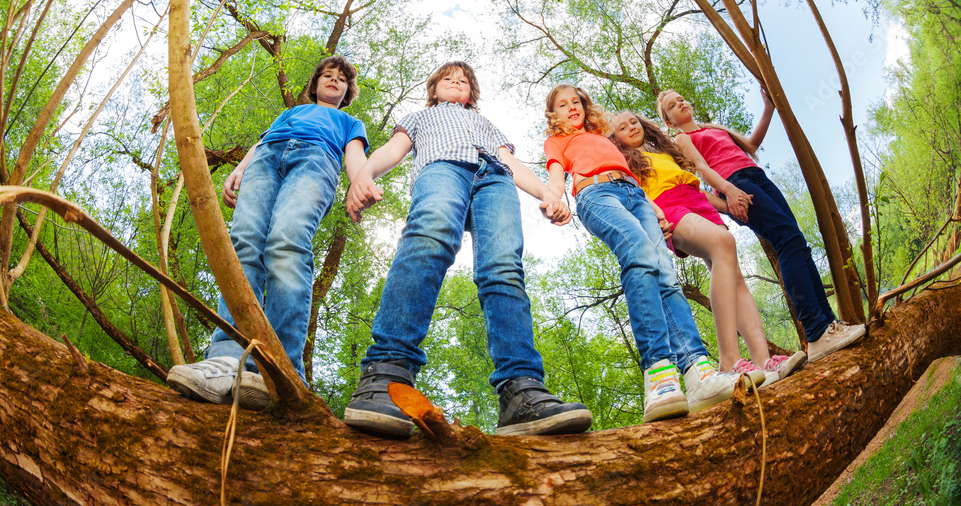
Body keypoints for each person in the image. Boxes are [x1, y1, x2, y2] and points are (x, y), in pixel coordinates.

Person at [342, 61, 593, 438]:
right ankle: (387, 373)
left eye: (463, 80)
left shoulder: (487, 123)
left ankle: (521, 390)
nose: (456, 82)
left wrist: (548, 193)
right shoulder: (419, 118)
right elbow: (392, 150)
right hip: (442, 168)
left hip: (496, 180)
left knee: (504, 269)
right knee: (429, 240)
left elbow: (511, 162)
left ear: (472, 92)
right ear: (434, 89)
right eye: (448, 79)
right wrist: (362, 174)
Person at [167, 55, 369, 409]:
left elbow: (354, 156)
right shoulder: (289, 113)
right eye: (327, 75)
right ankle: (226, 359)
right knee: (245, 244)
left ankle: (280, 369)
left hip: (315, 161)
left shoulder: (348, 121)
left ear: (347, 91)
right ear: (315, 83)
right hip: (266, 161)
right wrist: (239, 169)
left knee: (286, 243)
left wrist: (359, 183)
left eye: (341, 78)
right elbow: (262, 144)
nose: (333, 80)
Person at [543, 84, 753, 423]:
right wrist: (554, 198)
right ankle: (658, 375)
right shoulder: (558, 141)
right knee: (639, 255)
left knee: (666, 275)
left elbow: (633, 176)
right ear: (555, 113)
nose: (572, 108)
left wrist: (653, 206)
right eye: (563, 104)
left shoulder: (602, 136)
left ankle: (698, 372)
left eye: (576, 102)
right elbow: (555, 177)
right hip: (596, 195)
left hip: (635, 195)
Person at [657, 88, 866, 363]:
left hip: (758, 178)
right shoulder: (683, 139)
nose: (681, 103)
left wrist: (768, 109)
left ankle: (829, 325)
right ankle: (815, 333)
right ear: (669, 122)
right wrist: (729, 192)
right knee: (786, 242)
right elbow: (702, 169)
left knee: (798, 242)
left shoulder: (713, 130)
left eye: (681, 99)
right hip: (736, 186)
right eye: (672, 105)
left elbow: (751, 146)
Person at [610, 110, 807, 385]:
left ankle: (764, 362)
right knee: (723, 242)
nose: (631, 127)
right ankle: (729, 360)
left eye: (634, 121)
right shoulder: (623, 162)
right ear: (614, 138)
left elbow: (697, 190)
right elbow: (632, 196)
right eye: (622, 127)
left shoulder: (665, 154)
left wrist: (729, 206)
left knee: (736, 278)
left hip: (697, 203)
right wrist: (652, 220)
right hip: (669, 207)